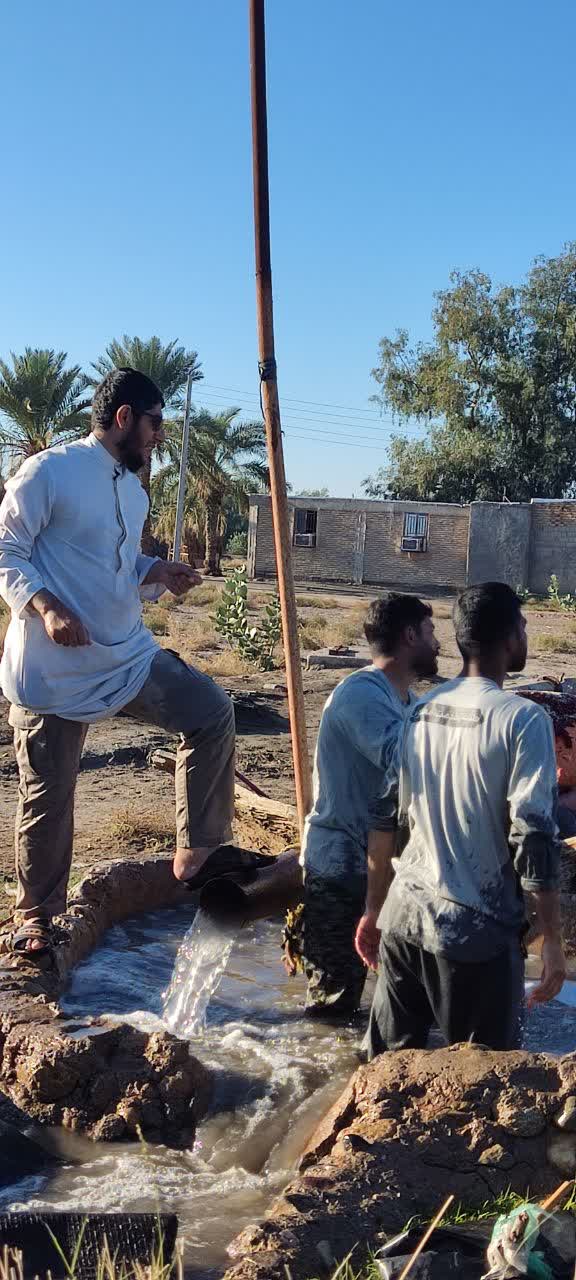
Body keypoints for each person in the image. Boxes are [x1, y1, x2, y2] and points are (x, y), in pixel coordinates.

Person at [0, 367, 244, 962]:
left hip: (125, 655)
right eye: (156, 422)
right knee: (49, 798)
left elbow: (114, 564)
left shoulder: (133, 491)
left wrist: (155, 571)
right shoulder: (49, 471)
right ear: (124, 417)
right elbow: (6, 547)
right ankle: (35, 918)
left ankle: (199, 855)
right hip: (54, 669)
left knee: (211, 712)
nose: (160, 435)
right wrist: (46, 606)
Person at [356, 582, 566, 1055]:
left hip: (405, 919)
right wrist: (552, 939)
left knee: (385, 1071)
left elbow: (386, 817)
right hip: (475, 935)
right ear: (510, 637)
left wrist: (374, 908)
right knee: (484, 1077)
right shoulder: (522, 719)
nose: (526, 634)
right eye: (524, 625)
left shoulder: (421, 710)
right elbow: (533, 834)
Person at [284, 593, 440, 1018]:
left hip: (382, 865)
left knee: (403, 998)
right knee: (333, 1001)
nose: (437, 643)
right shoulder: (360, 694)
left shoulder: (407, 701)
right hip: (341, 867)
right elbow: (402, 760)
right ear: (410, 636)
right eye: (430, 632)